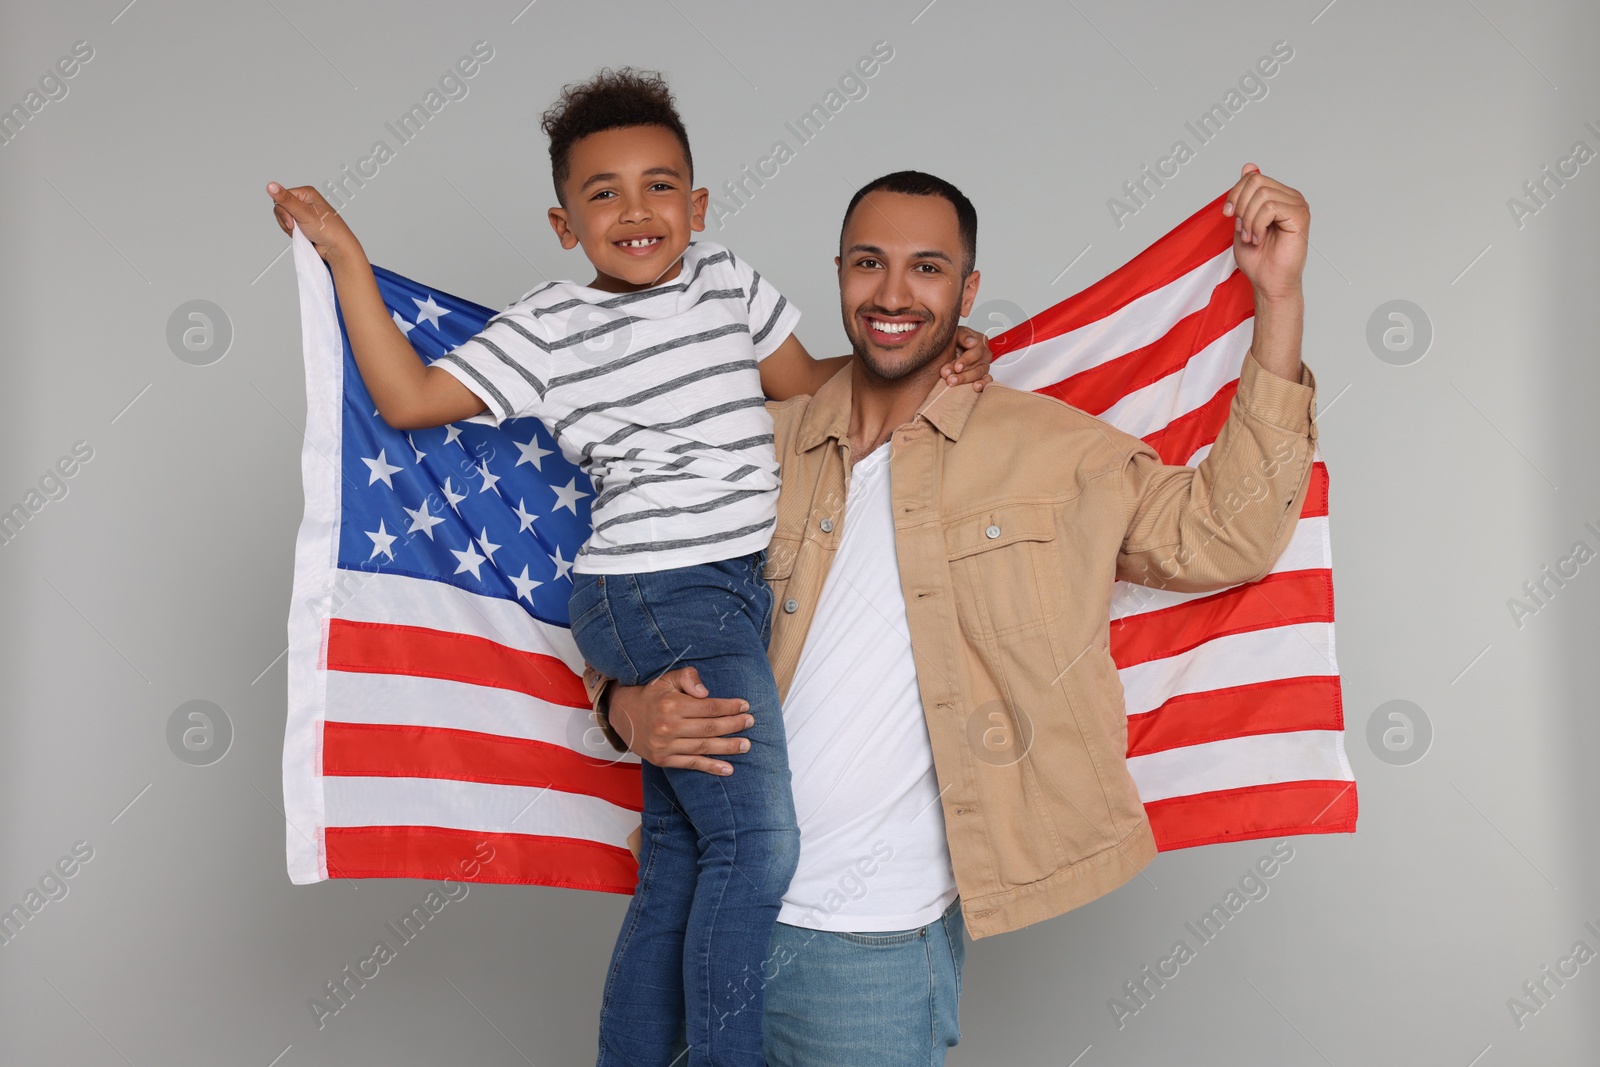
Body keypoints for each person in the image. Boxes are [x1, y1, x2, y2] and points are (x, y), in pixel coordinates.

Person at [267, 70, 990, 1067]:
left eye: (659, 186)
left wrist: (941, 350)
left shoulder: (728, 284)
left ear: (696, 207)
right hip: (655, 589)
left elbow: (816, 385)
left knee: (686, 859)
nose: (635, 210)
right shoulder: (553, 325)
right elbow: (406, 397)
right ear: (565, 224)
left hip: (731, 588)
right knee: (758, 846)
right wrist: (347, 259)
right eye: (602, 193)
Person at [591, 164, 1320, 1065]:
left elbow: (1227, 533)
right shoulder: (753, 442)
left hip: (870, 949)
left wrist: (1277, 300)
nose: (893, 293)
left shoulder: (1048, 448)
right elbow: (630, 583)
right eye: (870, 263)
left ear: (967, 289)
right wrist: (626, 707)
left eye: (927, 268)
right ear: (839, 273)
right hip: (703, 914)